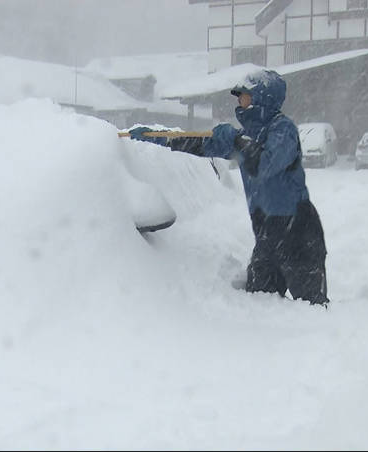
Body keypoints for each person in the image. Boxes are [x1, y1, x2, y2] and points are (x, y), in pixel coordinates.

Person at [128, 69, 329, 306]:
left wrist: (237, 141)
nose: (239, 101)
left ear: (261, 97)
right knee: (260, 302)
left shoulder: (283, 130)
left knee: (312, 307)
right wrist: (157, 137)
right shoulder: (245, 137)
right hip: (267, 233)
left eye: (244, 95)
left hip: (298, 233)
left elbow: (264, 165)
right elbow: (200, 143)